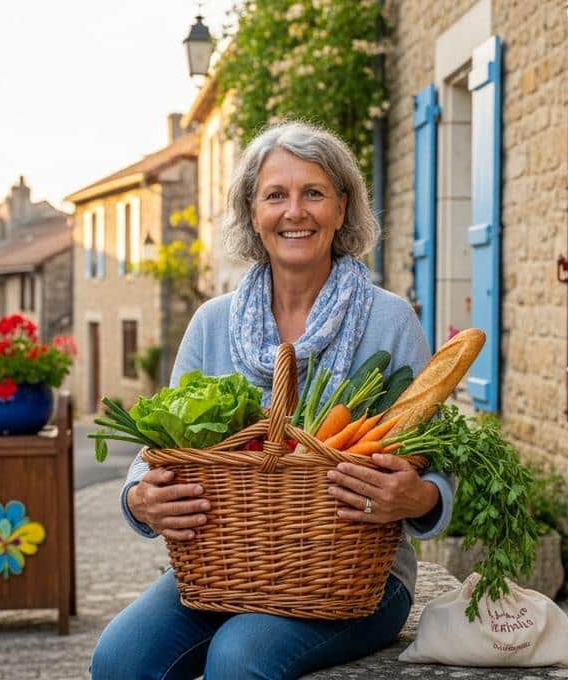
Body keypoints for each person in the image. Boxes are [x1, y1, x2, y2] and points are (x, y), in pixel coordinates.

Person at [89, 121, 455, 680]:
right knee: (118, 661)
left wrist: (419, 499)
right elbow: (154, 452)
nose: (295, 212)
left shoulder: (390, 320)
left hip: (355, 580)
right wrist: (139, 499)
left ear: (343, 207)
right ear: (252, 213)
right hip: (226, 567)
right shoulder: (212, 323)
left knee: (239, 658)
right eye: (275, 195)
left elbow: (442, 465)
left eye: (313, 193)